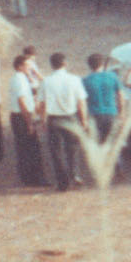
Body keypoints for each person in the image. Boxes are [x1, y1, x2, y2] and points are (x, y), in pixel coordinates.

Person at [38, 52, 89, 192]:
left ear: (52, 65)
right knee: (72, 147)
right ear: (65, 63)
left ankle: (62, 181)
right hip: (71, 116)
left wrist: (43, 120)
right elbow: (81, 102)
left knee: (56, 151)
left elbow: (42, 104)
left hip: (54, 118)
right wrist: (84, 120)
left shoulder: (46, 81)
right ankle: (74, 174)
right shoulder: (74, 79)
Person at [10, 52, 47, 186]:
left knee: (28, 148)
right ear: (19, 67)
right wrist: (29, 122)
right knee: (30, 148)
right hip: (21, 117)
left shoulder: (22, 78)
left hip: (22, 116)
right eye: (27, 66)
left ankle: (30, 177)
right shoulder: (19, 79)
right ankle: (33, 178)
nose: (30, 68)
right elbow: (22, 102)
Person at [82, 53, 122, 142]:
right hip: (111, 113)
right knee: (111, 142)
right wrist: (121, 113)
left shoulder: (85, 81)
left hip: (94, 114)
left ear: (89, 66)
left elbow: (83, 102)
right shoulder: (112, 77)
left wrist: (84, 119)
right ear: (102, 64)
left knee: (96, 142)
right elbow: (120, 96)